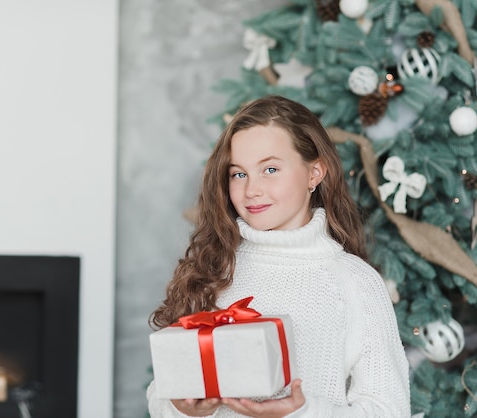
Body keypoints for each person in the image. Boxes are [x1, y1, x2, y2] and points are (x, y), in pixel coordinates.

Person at [146, 95, 411, 417]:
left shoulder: (355, 282)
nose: (252, 190)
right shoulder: (213, 267)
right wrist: (183, 409)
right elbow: (162, 392)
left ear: (314, 173)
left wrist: (301, 412)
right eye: (239, 174)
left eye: (270, 169)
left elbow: (388, 410)